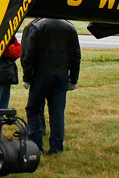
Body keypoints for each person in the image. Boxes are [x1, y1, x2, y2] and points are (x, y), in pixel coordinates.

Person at [20, 17, 81, 154]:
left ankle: (35, 145)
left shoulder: (37, 26)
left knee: (33, 109)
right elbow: (76, 54)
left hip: (41, 74)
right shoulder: (69, 27)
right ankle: (56, 146)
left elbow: (30, 53)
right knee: (57, 111)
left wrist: (27, 76)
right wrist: (73, 79)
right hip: (61, 74)